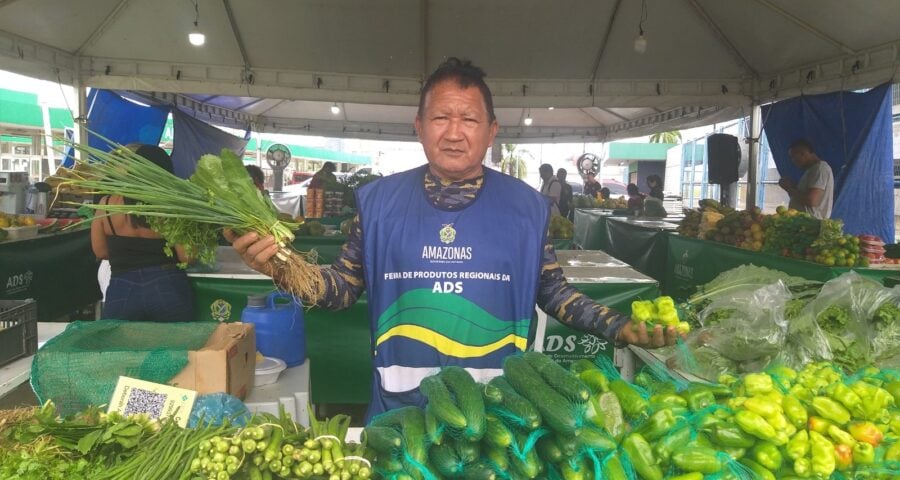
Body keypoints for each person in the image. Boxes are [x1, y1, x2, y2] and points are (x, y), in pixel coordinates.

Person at [228, 58, 679, 418]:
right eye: (441, 116)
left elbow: (554, 293)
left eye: (469, 118)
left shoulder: (527, 208)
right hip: (400, 411)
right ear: (419, 126)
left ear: (491, 132)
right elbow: (342, 290)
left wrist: (619, 327)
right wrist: (277, 267)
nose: (455, 131)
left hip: (501, 411)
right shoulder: (377, 203)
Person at [90, 144, 195, 322]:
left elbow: (100, 252)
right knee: (175, 347)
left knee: (122, 348)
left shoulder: (105, 206)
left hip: (121, 289)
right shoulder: (170, 208)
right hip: (166, 287)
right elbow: (187, 256)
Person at [778, 139, 834, 219]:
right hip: (804, 222)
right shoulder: (812, 170)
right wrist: (792, 186)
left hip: (810, 223)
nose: (793, 161)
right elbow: (805, 195)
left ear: (803, 153)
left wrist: (788, 189)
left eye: (793, 157)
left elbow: (811, 200)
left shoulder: (820, 169)